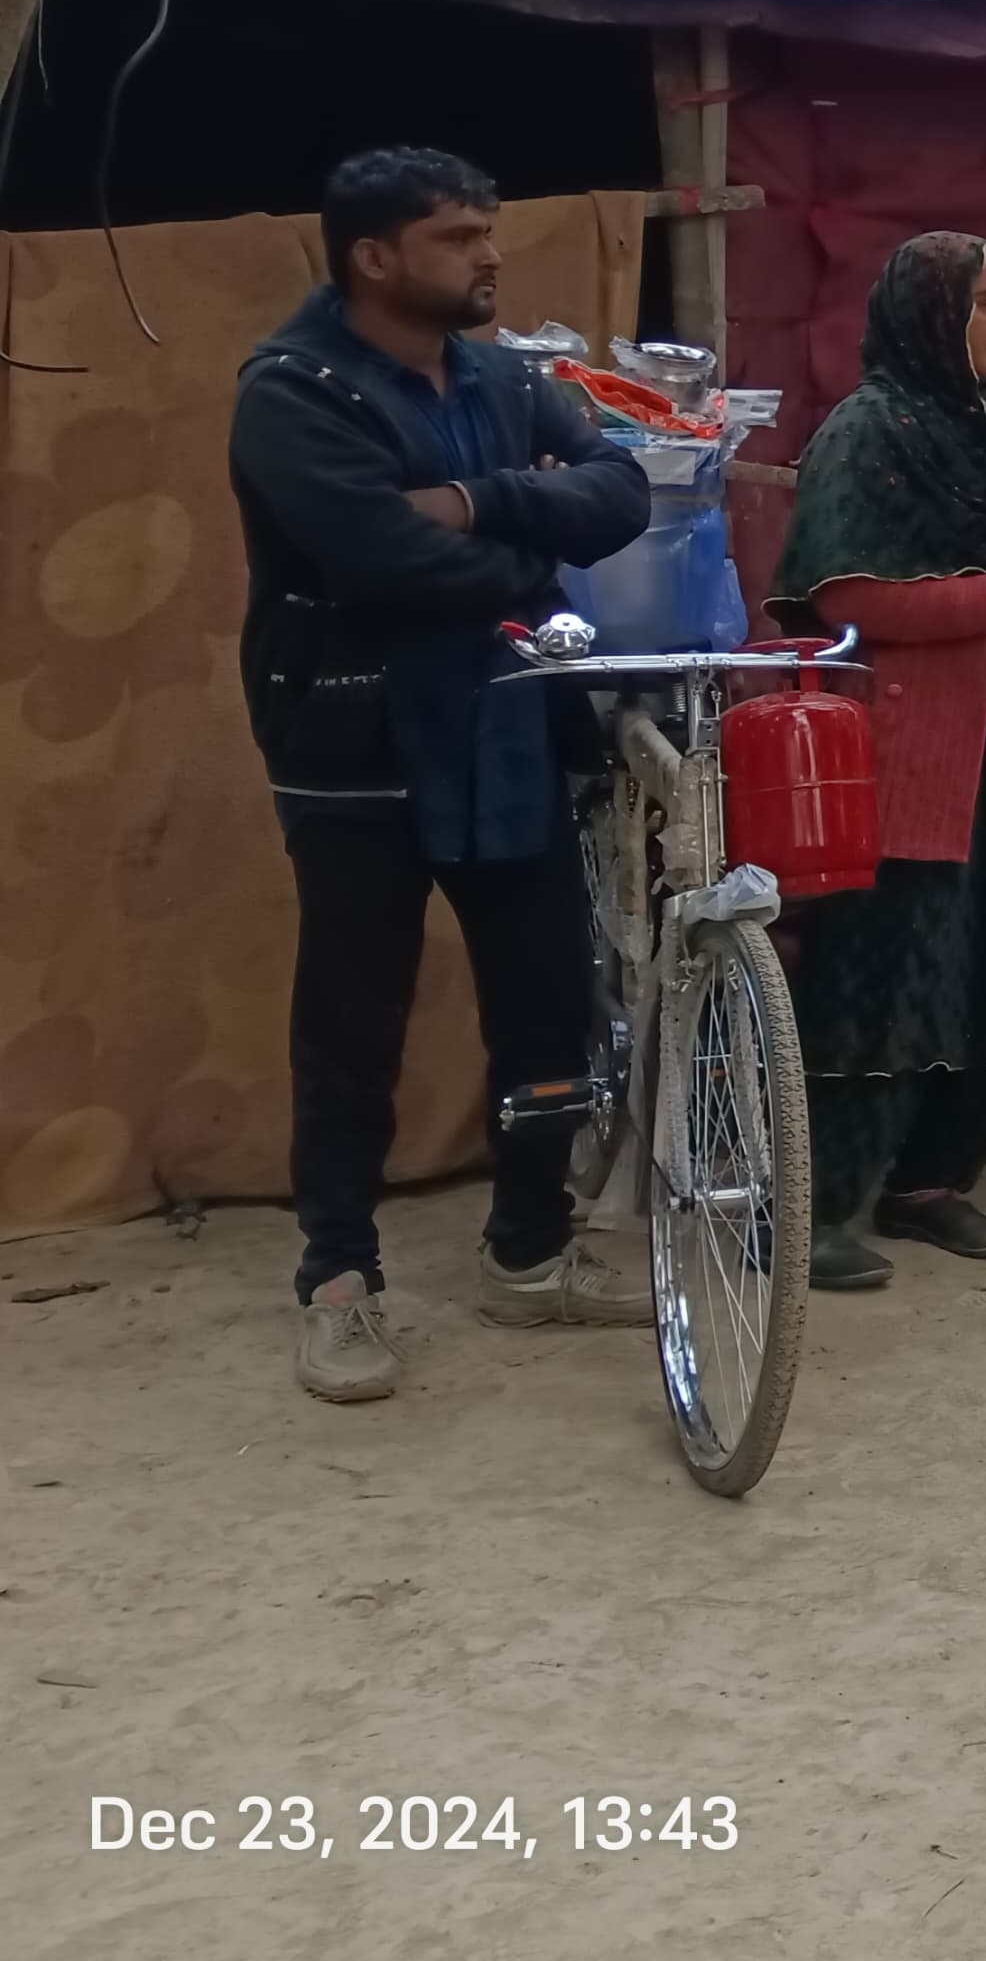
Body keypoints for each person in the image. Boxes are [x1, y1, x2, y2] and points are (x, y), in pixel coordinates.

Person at [232, 147, 652, 1402]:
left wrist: (473, 500)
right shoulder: (290, 390)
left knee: (545, 1003)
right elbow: (375, 559)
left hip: (504, 725)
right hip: (353, 741)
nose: (489, 254)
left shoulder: (504, 375)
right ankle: (340, 1280)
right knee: (353, 1021)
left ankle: (526, 1250)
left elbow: (620, 490)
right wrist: (529, 552)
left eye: (488, 231)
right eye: (459, 236)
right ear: (374, 257)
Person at [770, 234, 986, 1291]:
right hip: (921, 741)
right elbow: (847, 593)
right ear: (929, 313)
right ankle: (821, 1202)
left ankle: (931, 1181)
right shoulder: (866, 435)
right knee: (888, 965)